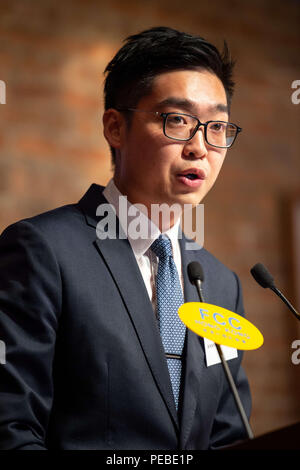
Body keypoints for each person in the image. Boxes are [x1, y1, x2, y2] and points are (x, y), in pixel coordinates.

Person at [0, 26, 251, 450]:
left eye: (217, 127)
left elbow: (226, 434)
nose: (200, 147)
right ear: (115, 128)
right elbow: (12, 427)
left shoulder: (220, 284)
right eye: (178, 120)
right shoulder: (44, 251)